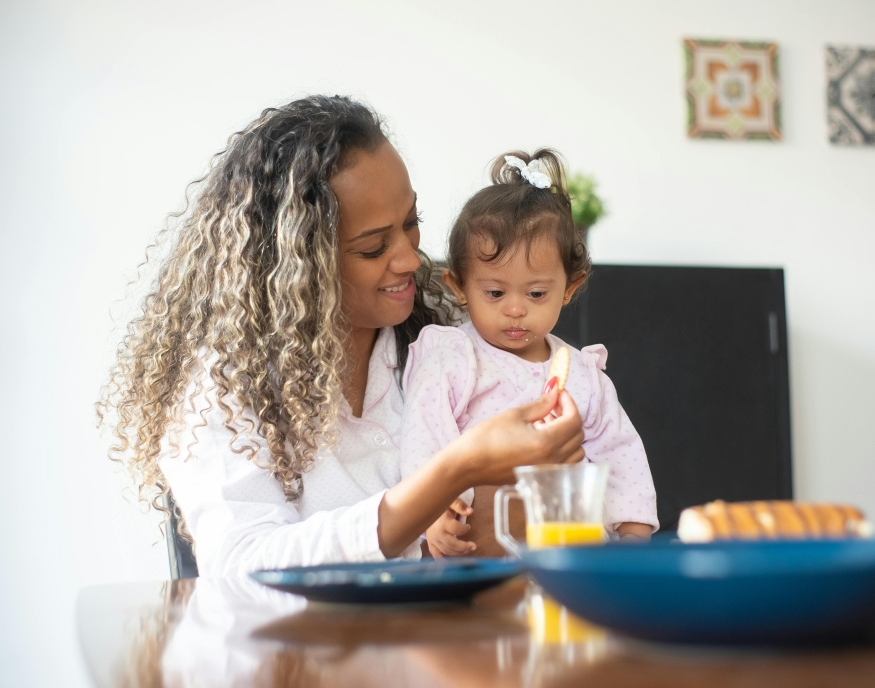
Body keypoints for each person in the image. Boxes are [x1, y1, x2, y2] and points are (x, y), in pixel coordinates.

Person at [97, 97, 585, 577]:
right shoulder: (223, 389)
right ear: (298, 266)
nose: (411, 259)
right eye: (373, 248)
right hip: (305, 655)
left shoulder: (448, 337)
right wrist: (454, 472)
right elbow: (241, 563)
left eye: (411, 223)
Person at [399, 149, 659, 558]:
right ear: (459, 286)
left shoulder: (583, 372)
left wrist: (633, 535)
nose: (516, 308)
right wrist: (433, 515)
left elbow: (620, 452)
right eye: (495, 293)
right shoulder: (451, 358)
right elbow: (424, 442)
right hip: (480, 554)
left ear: (570, 287)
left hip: (573, 560)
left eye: (536, 293)